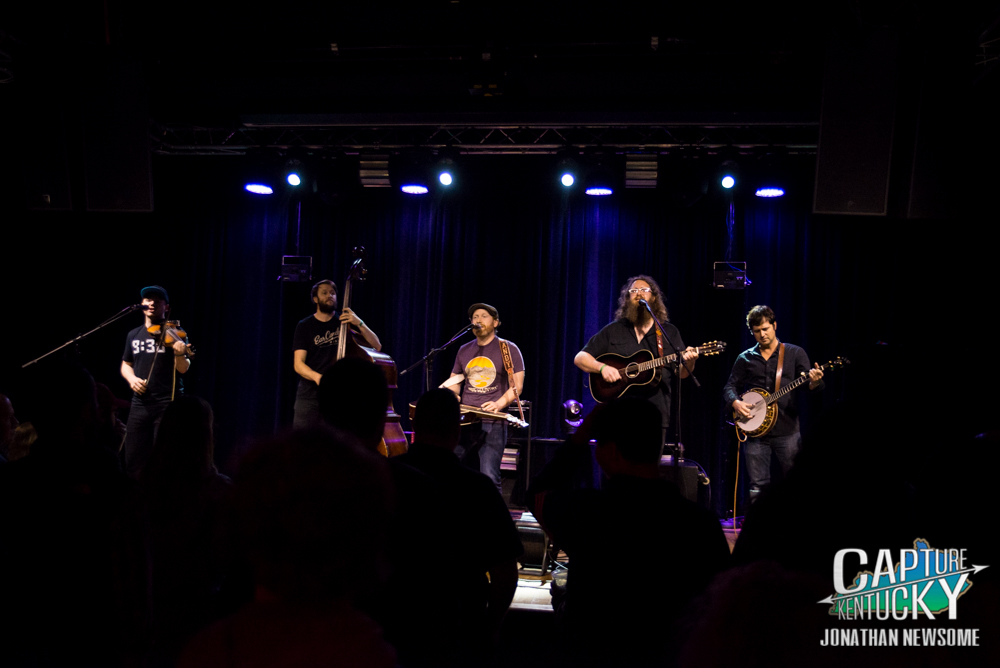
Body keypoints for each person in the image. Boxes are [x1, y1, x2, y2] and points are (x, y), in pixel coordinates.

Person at [527, 397, 730, 667]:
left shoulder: (587, 512)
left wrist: (580, 438)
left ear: (609, 452)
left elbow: (537, 493)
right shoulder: (701, 524)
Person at [398, 390, 522, 666]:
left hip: (393, 624)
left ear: (414, 426)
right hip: (459, 626)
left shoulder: (383, 475)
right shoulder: (478, 488)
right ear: (457, 431)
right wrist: (491, 629)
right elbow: (505, 572)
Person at [574, 275, 698, 441]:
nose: (639, 293)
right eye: (634, 291)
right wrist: (602, 368)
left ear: (654, 297)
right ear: (627, 299)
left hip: (654, 416)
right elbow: (580, 357)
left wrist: (690, 360)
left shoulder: (669, 332)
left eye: (644, 290)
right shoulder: (614, 330)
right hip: (616, 415)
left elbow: (681, 373)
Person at [722, 304, 824, 503]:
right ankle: (759, 521)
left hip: (787, 431)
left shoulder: (795, 353)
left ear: (774, 325)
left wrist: (814, 382)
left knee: (796, 482)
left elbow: (809, 386)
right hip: (755, 433)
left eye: (765, 329)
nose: (762, 335)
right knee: (757, 486)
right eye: (757, 331)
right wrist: (736, 402)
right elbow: (729, 387)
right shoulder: (745, 358)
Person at [443, 303, 525, 492]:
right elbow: (455, 380)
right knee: (451, 470)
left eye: (484, 316)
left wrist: (498, 404)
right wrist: (453, 395)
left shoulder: (508, 349)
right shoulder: (464, 350)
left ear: (495, 322)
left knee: (489, 475)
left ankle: (492, 511)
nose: (478, 320)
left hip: (492, 422)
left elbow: (517, 387)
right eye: (475, 317)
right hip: (466, 420)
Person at [121, 285, 192, 479]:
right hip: (140, 404)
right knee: (133, 459)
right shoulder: (133, 334)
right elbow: (126, 364)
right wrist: (132, 379)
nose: (151, 303)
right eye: (148, 299)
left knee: (164, 460)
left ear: (166, 307)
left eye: (157, 300)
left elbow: (183, 368)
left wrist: (180, 354)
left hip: (167, 403)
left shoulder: (175, 332)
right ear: (142, 304)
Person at [292, 279, 382, 428]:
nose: (330, 296)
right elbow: (298, 364)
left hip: (339, 397)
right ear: (315, 299)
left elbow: (376, 346)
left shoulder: (345, 323)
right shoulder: (304, 326)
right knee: (303, 441)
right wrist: (319, 377)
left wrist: (359, 322)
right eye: (325, 293)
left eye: (333, 293)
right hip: (309, 397)